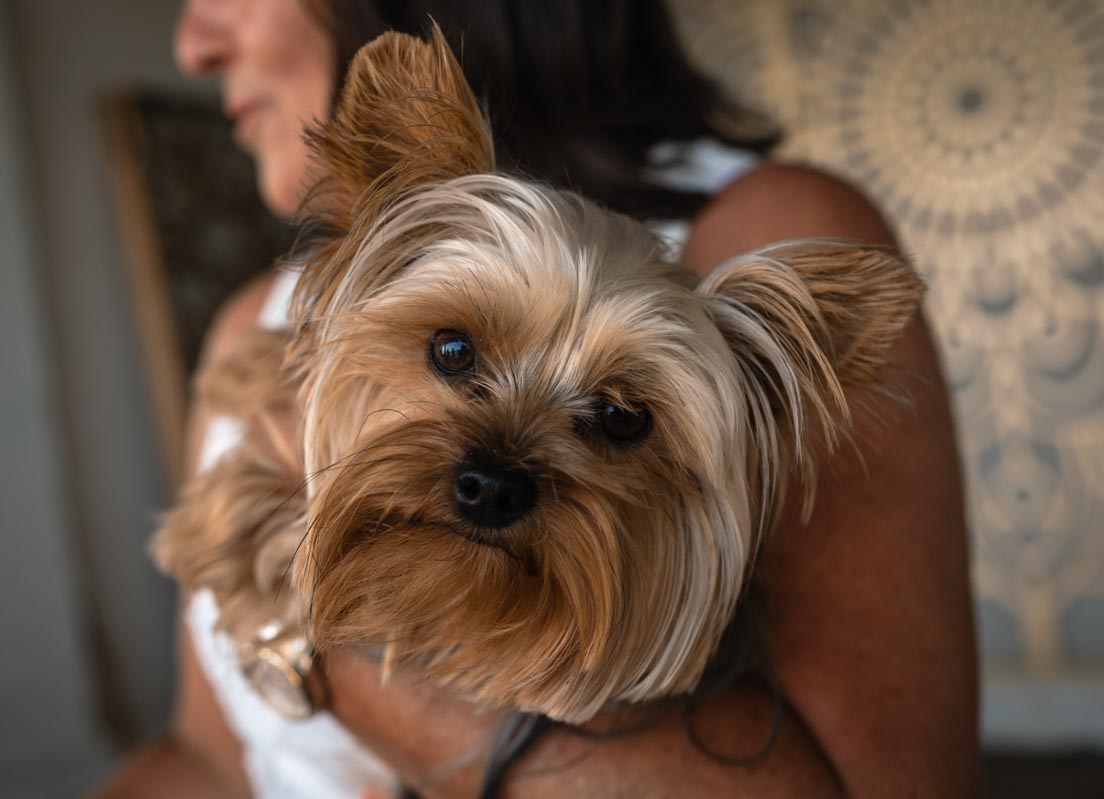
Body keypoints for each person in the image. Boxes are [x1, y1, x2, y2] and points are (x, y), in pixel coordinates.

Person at [97, 0, 979, 796]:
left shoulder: (769, 223)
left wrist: (297, 615)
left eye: (619, 419)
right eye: (451, 352)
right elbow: (210, 760)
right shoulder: (251, 325)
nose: (190, 42)